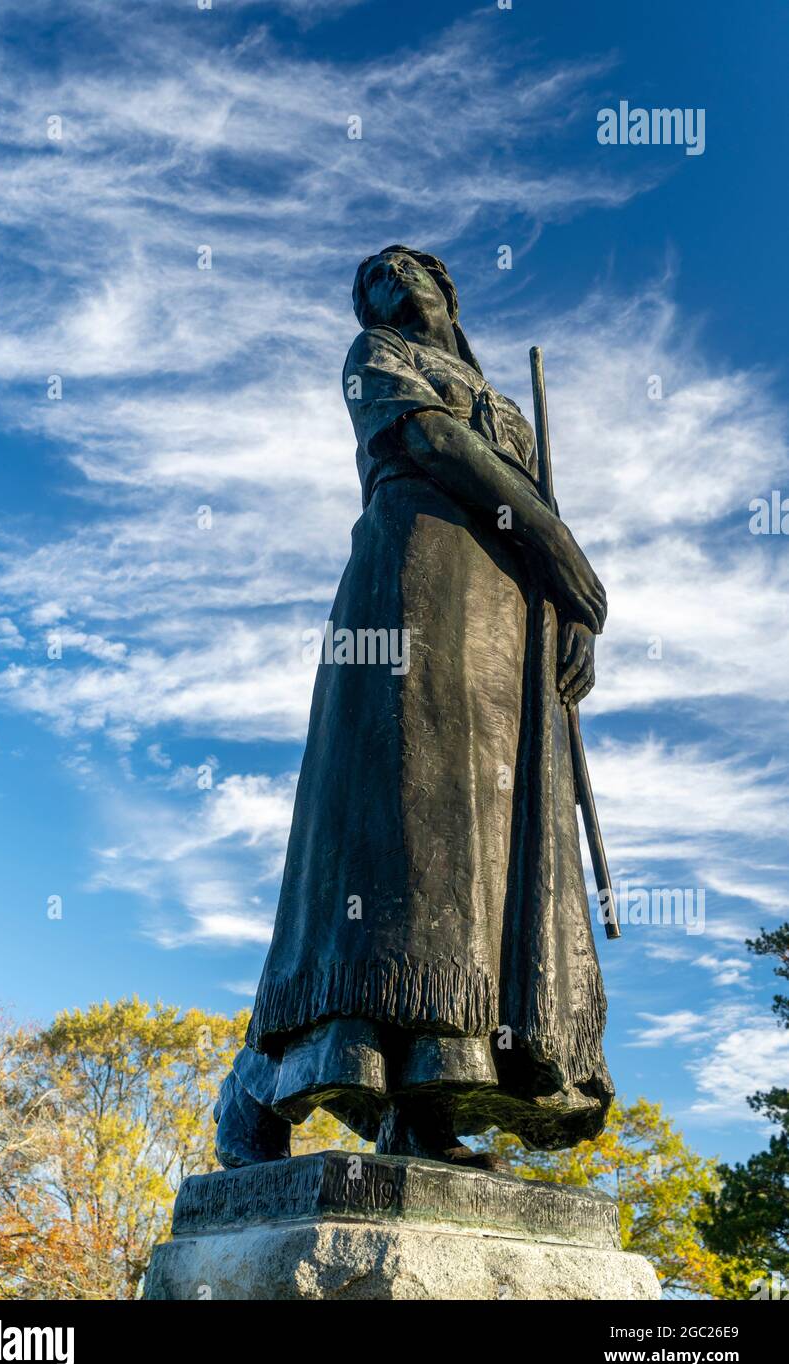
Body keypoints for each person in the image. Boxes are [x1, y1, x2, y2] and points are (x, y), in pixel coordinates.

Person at [214, 245, 613, 1168]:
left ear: (446, 285)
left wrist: (567, 613)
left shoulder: (510, 404)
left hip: (508, 621)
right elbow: (432, 442)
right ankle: (260, 1085)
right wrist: (560, 544)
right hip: (413, 582)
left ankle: (427, 1101)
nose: (381, 286)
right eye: (368, 285)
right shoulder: (376, 362)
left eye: (399, 269)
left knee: (476, 851)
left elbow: (525, 505)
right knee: (398, 826)